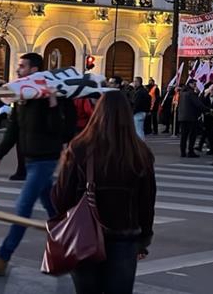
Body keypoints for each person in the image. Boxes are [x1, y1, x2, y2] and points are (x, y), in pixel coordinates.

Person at [52, 91, 156, 294]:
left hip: (84, 237)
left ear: (98, 113)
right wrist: (143, 240)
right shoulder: (140, 153)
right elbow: (147, 202)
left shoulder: (80, 148)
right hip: (124, 239)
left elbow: (62, 197)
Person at [0, 53, 67, 276]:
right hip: (31, 159)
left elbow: (58, 129)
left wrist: (53, 102)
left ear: (34, 70)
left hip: (45, 159)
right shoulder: (23, 97)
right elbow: (13, 129)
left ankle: (2, 257)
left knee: (22, 208)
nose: (18, 70)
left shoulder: (49, 96)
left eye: (22, 67)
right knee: (52, 208)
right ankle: (73, 240)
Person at [176, 80, 204, 158]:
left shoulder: (182, 92)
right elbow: (198, 104)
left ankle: (183, 152)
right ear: (190, 84)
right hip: (191, 117)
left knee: (184, 136)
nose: (195, 85)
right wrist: (207, 110)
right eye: (194, 84)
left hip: (182, 117)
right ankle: (190, 151)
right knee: (192, 135)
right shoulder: (191, 93)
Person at [132, 76, 151, 141]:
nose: (133, 83)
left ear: (138, 82)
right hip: (142, 112)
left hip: (138, 113)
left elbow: (137, 104)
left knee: (138, 130)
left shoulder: (139, 92)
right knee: (139, 130)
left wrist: (132, 112)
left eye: (135, 81)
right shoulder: (144, 91)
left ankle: (141, 145)